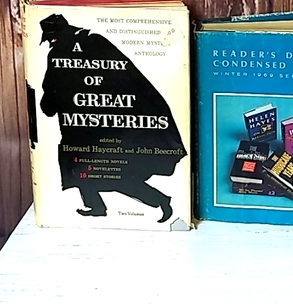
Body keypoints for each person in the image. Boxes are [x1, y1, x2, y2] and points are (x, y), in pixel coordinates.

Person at [38, 14, 187, 223]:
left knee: (111, 174)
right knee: (81, 170)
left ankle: (160, 200)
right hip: (80, 128)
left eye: (53, 38)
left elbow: (126, 79)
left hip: (102, 129)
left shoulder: (84, 45)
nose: (51, 43)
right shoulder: (67, 51)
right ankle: (96, 206)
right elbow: (52, 90)